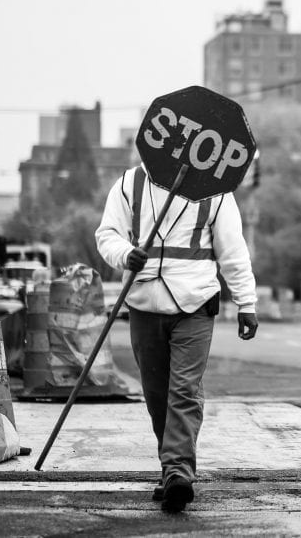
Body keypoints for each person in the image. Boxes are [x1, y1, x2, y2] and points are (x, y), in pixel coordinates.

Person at [95, 165, 258, 513]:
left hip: (195, 303)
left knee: (183, 389)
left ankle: (178, 472)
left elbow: (233, 250)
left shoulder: (216, 191)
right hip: (144, 304)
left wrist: (246, 302)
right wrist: (125, 253)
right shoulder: (130, 183)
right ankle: (171, 468)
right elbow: (107, 234)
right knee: (156, 393)